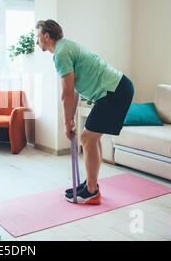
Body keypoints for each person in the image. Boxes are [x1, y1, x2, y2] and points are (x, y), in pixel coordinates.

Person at [35, 20, 134, 205]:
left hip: (114, 91)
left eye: (37, 36)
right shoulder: (66, 47)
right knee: (91, 138)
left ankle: (92, 191)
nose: (36, 41)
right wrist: (70, 119)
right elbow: (75, 92)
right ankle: (91, 184)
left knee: (87, 139)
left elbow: (67, 93)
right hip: (115, 90)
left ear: (46, 36)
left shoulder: (61, 52)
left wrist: (66, 124)